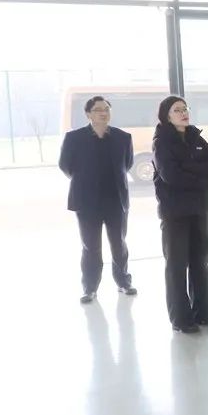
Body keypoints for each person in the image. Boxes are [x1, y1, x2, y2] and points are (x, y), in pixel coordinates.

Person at [152, 96, 208, 333]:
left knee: (200, 262)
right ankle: (181, 318)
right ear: (166, 115)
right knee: (177, 265)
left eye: (185, 109)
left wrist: (190, 169)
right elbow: (171, 175)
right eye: (177, 110)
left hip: (200, 208)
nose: (183, 113)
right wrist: (200, 176)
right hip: (175, 212)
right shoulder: (162, 141)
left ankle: (203, 311)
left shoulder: (194, 136)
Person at [59, 96, 137, 304]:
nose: (103, 113)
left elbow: (127, 164)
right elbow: (65, 165)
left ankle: (123, 282)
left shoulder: (123, 137)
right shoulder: (74, 138)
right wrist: (85, 180)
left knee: (119, 244)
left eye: (106, 109)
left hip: (116, 200)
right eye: (98, 110)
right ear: (88, 114)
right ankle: (90, 288)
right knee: (90, 247)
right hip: (87, 202)